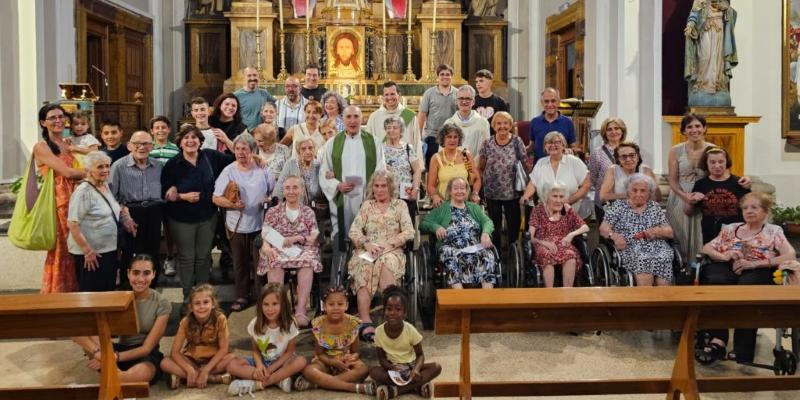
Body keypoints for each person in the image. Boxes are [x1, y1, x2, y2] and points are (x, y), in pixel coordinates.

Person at [699, 192, 796, 363]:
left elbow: (790, 255)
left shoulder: (773, 231)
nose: (749, 211)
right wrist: (725, 256)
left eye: (754, 207)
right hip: (728, 266)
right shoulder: (730, 228)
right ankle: (718, 340)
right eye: (745, 208)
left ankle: (742, 348)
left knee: (747, 287)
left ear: (765, 211)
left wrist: (754, 264)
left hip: (758, 269)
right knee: (715, 281)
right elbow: (707, 248)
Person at [162, 124, 234, 301]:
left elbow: (235, 157)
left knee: (203, 257)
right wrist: (181, 196)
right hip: (181, 219)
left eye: (194, 137)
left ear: (200, 141)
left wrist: (226, 140)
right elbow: (165, 193)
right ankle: (188, 296)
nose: (190, 141)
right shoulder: (173, 165)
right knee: (187, 257)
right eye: (186, 138)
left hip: (207, 216)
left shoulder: (210, 157)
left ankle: (203, 296)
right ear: (180, 142)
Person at [74, 254, 171, 385]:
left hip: (143, 355)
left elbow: (146, 349)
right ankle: (117, 375)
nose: (140, 279)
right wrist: (100, 353)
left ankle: (114, 376)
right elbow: (80, 330)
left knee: (144, 372)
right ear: (128, 274)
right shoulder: (118, 297)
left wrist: (113, 358)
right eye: (136, 273)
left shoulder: (162, 303)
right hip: (117, 350)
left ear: (153, 274)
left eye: (146, 273)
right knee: (78, 327)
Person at [666, 113, 750, 260]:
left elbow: (723, 172)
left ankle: (701, 270)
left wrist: (746, 179)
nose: (694, 130)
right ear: (684, 131)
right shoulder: (675, 150)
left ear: (704, 128)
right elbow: (672, 180)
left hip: (704, 195)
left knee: (701, 235)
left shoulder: (713, 149)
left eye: (698, 126)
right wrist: (685, 197)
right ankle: (682, 272)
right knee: (680, 235)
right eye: (689, 127)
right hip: (681, 196)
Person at [347, 171, 414, 341]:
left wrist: (389, 244)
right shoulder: (367, 206)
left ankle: (391, 319)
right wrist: (366, 243)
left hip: (391, 249)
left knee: (385, 263)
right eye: (376, 186)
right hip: (368, 249)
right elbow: (354, 231)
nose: (379, 189)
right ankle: (365, 320)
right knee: (363, 266)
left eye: (383, 185)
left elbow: (409, 231)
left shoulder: (400, 205)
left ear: (390, 187)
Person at [213, 133, 275, 312]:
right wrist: (232, 204)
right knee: (239, 263)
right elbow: (216, 198)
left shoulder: (263, 168)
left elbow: (272, 191)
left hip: (261, 225)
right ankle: (241, 295)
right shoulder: (229, 170)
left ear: (252, 151)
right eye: (237, 149)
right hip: (237, 225)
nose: (240, 152)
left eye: (244, 149)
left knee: (260, 263)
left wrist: (268, 199)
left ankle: (262, 296)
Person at [33, 104, 87, 293]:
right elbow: (66, 171)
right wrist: (92, 172)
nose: (58, 121)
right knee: (62, 251)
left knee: (79, 249)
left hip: (77, 200)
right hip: (60, 204)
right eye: (52, 118)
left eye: (60, 117)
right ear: (43, 122)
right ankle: (58, 295)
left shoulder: (68, 143)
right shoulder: (41, 147)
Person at [320, 105, 387, 251]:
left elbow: (381, 170)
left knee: (368, 234)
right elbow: (324, 171)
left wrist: (372, 191)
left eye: (356, 116)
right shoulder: (332, 143)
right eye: (348, 117)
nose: (352, 121)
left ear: (362, 118)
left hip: (367, 196)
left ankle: (364, 267)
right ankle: (342, 267)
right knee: (343, 237)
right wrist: (337, 185)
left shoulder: (374, 142)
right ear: (342, 119)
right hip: (342, 198)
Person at [259, 175, 322, 327]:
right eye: (287, 188)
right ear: (283, 190)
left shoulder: (307, 212)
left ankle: (300, 310)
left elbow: (313, 236)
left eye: (295, 187)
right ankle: (278, 311)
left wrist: (296, 238)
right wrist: (266, 247)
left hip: (302, 247)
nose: (291, 191)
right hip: (278, 247)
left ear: (301, 190)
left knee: (307, 262)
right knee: (274, 261)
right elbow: (266, 233)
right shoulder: (273, 212)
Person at [68, 151, 134, 292]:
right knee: (92, 293)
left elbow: (114, 208)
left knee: (107, 289)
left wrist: (126, 216)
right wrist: (87, 251)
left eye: (107, 166)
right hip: (92, 255)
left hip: (108, 250)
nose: (105, 170)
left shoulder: (104, 186)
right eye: (99, 167)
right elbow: (72, 223)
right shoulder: (83, 191)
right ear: (88, 170)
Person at [227, 283, 308, 395]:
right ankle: (278, 380)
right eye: (266, 304)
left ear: (283, 305)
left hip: (283, 362)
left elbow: (289, 352)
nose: (270, 309)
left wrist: (271, 368)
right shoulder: (255, 324)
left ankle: (258, 384)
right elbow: (255, 350)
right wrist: (260, 366)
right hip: (263, 361)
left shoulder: (290, 324)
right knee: (232, 365)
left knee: (301, 361)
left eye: (275, 304)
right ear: (260, 305)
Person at [110, 131, 165, 288]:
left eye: (146, 144)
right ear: (129, 146)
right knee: (130, 254)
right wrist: (123, 217)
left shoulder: (157, 166)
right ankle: (129, 292)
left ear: (152, 146)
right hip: (130, 212)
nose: (142, 147)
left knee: (153, 253)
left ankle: (151, 290)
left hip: (154, 212)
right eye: (137, 144)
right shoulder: (119, 166)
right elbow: (111, 197)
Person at [295, 286, 375, 395]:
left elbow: (356, 352)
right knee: (309, 370)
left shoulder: (353, 323)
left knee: (364, 369)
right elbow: (319, 354)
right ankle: (352, 387)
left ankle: (321, 383)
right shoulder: (319, 324)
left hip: (344, 364)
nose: (336, 308)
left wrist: (351, 357)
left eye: (340, 304)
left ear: (346, 305)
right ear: (324, 306)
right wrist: (332, 362)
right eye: (331, 304)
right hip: (325, 363)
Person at [599, 173, 675, 286]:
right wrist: (614, 235)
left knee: (664, 257)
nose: (638, 194)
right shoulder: (618, 206)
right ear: (628, 191)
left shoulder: (654, 207)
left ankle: (662, 299)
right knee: (643, 258)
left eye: (643, 190)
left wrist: (657, 231)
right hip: (630, 246)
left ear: (649, 193)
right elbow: (603, 228)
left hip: (657, 246)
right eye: (634, 190)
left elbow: (670, 232)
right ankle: (645, 299)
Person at [420, 177, 497, 289]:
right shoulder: (442, 208)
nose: (459, 191)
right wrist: (436, 227)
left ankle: (486, 298)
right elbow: (423, 223)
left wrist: (485, 233)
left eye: (462, 188)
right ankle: (459, 297)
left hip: (474, 246)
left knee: (487, 254)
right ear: (450, 191)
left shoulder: (473, 207)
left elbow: (487, 221)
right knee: (449, 254)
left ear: (467, 191)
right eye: (456, 188)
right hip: (451, 248)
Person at [369, 285, 442, 399]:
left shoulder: (410, 330)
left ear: (404, 314)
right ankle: (417, 386)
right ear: (384, 311)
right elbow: (381, 358)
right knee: (373, 372)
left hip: (411, 367)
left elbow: (420, 355)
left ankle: (395, 391)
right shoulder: (379, 332)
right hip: (393, 369)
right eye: (389, 309)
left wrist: (416, 370)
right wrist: (391, 367)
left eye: (398, 309)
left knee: (436, 367)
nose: (393, 313)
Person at [161, 284, 235, 389]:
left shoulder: (220, 319)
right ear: (191, 307)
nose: (201, 307)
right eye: (197, 303)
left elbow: (224, 349)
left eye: (206, 302)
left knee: (231, 359)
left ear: (213, 304)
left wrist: (206, 370)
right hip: (192, 360)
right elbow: (175, 352)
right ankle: (212, 378)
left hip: (214, 362)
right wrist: (189, 369)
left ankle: (187, 377)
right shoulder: (185, 321)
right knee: (165, 362)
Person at [479, 112, 528, 251]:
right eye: (499, 123)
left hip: (512, 191)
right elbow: (481, 166)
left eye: (506, 123)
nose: (502, 126)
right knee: (494, 224)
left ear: (510, 125)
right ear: (494, 126)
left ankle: (513, 250)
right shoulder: (487, 143)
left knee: (514, 224)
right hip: (492, 191)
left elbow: (525, 165)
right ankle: (497, 253)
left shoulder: (517, 141)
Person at [528, 182, 590, 288]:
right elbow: (530, 236)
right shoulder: (538, 210)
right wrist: (545, 243)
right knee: (546, 255)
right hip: (543, 244)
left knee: (570, 254)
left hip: (563, 244)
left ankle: (567, 293)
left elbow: (585, 227)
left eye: (561, 197)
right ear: (547, 197)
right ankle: (550, 293)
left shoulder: (567, 209)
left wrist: (571, 234)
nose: (558, 200)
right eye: (554, 196)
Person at [684, 146, 750, 244]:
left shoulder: (740, 183)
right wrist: (690, 202)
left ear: (726, 162)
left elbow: (750, 209)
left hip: (736, 234)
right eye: (712, 162)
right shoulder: (700, 184)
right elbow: (688, 212)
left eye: (721, 161)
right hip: (710, 235)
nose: (717, 165)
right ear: (706, 163)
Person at [520, 131, 592, 219]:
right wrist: (526, 196)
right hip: (546, 215)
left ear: (563, 145)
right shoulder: (540, 163)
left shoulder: (574, 161)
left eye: (557, 142)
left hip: (571, 214)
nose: (553, 145)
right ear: (545, 147)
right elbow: (533, 183)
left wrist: (569, 201)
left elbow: (586, 185)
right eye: (549, 142)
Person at [684, 0, 738, 106]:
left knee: (718, 59)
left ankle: (718, 85)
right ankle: (701, 85)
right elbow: (694, 13)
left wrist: (726, 9)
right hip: (705, 30)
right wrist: (690, 25)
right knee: (705, 57)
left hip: (719, 30)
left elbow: (732, 14)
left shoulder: (722, 1)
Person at [148, 116, 179, 277]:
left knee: (169, 228)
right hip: (151, 194)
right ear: (152, 131)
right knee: (152, 228)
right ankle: (152, 261)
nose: (160, 130)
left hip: (168, 194)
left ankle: (170, 257)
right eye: (157, 128)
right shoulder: (147, 148)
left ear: (169, 130)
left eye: (163, 127)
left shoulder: (175, 149)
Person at [427, 123, 481, 208]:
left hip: (464, 204)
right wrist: (435, 196)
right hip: (443, 205)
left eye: (455, 137)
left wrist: (475, 193)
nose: (452, 140)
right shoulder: (436, 158)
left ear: (459, 139)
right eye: (449, 137)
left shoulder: (466, 155)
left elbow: (476, 179)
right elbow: (431, 185)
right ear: (443, 139)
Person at [366, 80, 423, 159]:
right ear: (383, 97)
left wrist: (419, 167)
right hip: (382, 165)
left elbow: (417, 142)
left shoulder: (409, 115)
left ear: (398, 95)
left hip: (406, 164)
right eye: (386, 95)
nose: (389, 98)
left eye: (392, 94)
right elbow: (369, 144)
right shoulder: (374, 117)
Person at [383, 116, 423, 221]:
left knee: (407, 227)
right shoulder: (380, 149)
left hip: (406, 194)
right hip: (387, 195)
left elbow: (417, 170)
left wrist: (415, 189)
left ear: (401, 130)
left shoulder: (408, 148)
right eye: (388, 127)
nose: (391, 130)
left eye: (395, 127)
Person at [588, 117, 627, 221]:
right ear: (604, 133)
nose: (613, 132)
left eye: (616, 128)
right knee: (605, 235)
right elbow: (593, 178)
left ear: (622, 130)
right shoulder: (598, 152)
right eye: (609, 129)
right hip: (605, 202)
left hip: (626, 201)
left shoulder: (630, 150)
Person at [418, 64, 458, 168]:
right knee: (432, 168)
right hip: (433, 136)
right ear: (438, 77)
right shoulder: (429, 93)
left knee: (449, 167)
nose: (445, 77)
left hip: (451, 137)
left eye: (448, 74)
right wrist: (418, 135)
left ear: (451, 76)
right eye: (442, 74)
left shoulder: (457, 94)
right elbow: (422, 114)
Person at [529, 88, 577, 160]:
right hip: (540, 167)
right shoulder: (534, 122)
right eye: (546, 101)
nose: (550, 104)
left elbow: (574, 147)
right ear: (542, 103)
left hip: (562, 166)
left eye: (553, 101)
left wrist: (570, 151)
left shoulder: (568, 122)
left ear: (558, 102)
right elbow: (531, 147)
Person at [444, 85, 490, 159]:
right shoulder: (448, 123)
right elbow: (443, 150)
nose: (464, 101)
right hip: (453, 167)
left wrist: (473, 166)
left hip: (474, 167)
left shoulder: (482, 123)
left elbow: (484, 150)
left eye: (468, 98)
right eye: (461, 98)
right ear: (456, 101)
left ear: (473, 101)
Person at [273, 139, 322, 205]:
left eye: (310, 148)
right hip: (294, 207)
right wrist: (277, 204)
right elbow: (280, 185)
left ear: (315, 149)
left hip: (316, 208)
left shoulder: (319, 165)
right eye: (303, 149)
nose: (308, 152)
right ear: (298, 152)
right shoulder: (290, 164)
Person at [234, 66, 277, 131]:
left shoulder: (264, 93)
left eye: (255, 75)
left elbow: (278, 104)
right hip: (246, 134)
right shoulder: (236, 96)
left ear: (258, 77)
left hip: (263, 133)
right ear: (244, 77)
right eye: (249, 75)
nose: (252, 78)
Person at [473, 69, 509, 136]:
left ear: (490, 82)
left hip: (496, 138)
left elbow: (507, 123)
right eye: (476, 82)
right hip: (477, 137)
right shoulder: (472, 102)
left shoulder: (500, 102)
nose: (478, 84)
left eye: (481, 81)